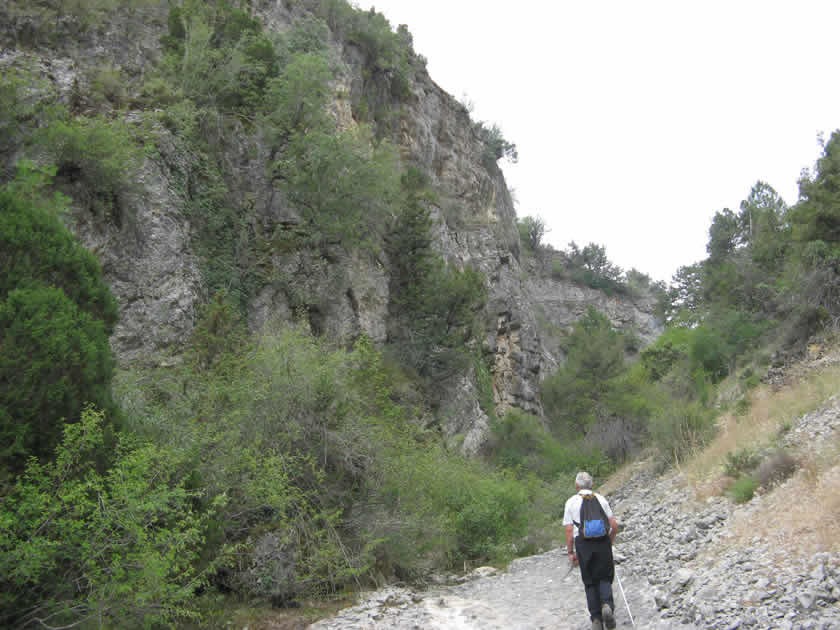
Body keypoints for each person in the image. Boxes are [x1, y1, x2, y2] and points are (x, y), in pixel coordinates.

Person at [563, 471, 619, 630]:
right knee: (605, 577)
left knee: (589, 581)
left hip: (583, 545)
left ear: (576, 486)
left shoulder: (571, 502)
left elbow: (569, 531)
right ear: (592, 484)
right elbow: (614, 526)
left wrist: (571, 552)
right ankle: (607, 605)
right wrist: (609, 542)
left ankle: (596, 619)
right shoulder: (601, 499)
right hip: (602, 542)